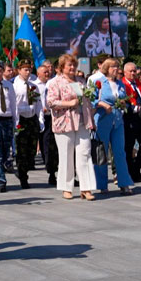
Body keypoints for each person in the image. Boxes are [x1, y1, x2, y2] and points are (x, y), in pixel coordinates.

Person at [46, 54, 97, 200]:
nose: (73, 68)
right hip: (64, 123)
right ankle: (66, 187)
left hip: (81, 121)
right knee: (66, 156)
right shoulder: (55, 82)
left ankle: (86, 188)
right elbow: (51, 102)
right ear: (62, 68)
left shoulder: (80, 81)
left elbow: (86, 100)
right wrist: (69, 104)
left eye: (74, 65)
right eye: (69, 65)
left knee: (84, 153)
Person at [93, 58, 133, 195]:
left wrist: (124, 104)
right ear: (106, 68)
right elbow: (91, 100)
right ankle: (102, 184)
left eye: (117, 66)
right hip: (103, 120)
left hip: (118, 121)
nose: (116, 69)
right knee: (101, 153)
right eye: (113, 67)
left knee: (120, 152)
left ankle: (124, 183)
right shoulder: (98, 82)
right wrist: (102, 105)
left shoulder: (120, 83)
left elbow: (126, 100)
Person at [13, 60, 43, 189]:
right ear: (19, 70)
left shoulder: (33, 86)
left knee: (31, 151)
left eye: (29, 69)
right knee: (22, 150)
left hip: (32, 119)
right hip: (21, 119)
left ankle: (24, 170)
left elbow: (38, 104)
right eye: (25, 69)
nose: (28, 72)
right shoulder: (15, 86)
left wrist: (40, 120)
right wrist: (16, 122)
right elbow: (14, 105)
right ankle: (23, 176)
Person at [0, 62, 18, 192]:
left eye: (1, 70)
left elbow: (13, 104)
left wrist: (16, 122)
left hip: (7, 120)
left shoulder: (9, 86)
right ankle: (1, 180)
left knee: (6, 152)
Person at [122, 62, 141, 183]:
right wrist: (134, 108)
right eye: (130, 71)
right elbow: (121, 100)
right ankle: (131, 173)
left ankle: (135, 170)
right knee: (129, 148)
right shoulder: (122, 85)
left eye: (134, 71)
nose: (133, 73)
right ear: (125, 72)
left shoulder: (140, 85)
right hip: (129, 119)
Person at [35, 60, 59, 185]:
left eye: (49, 71)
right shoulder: (34, 85)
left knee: (53, 145)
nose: (47, 73)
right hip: (41, 117)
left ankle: (53, 171)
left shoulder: (53, 83)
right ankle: (50, 168)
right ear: (38, 74)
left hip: (53, 117)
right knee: (45, 144)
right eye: (44, 72)